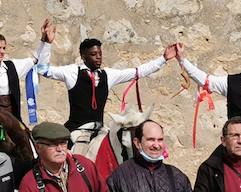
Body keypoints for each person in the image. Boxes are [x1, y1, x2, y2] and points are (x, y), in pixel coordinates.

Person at [36, 21, 175, 131]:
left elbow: (137, 72)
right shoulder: (72, 72)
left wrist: (163, 59)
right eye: (93, 54)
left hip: (99, 130)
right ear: (83, 57)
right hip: (76, 130)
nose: (98, 58)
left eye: (100, 54)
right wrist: (46, 43)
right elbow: (43, 70)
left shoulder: (108, 74)